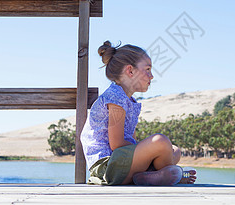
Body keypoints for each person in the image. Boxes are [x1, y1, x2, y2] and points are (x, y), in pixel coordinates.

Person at [80, 40, 197, 186]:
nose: (152, 76)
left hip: (122, 162)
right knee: (160, 142)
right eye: (147, 69)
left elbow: (130, 141)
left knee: (174, 150)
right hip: (107, 166)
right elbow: (117, 143)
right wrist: (146, 150)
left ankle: (152, 176)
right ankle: (163, 175)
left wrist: (145, 151)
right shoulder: (115, 98)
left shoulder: (129, 101)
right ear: (130, 71)